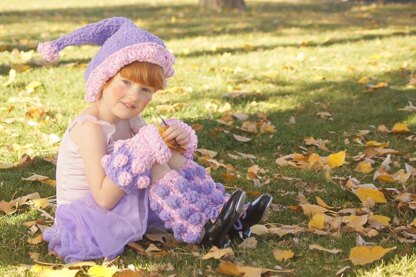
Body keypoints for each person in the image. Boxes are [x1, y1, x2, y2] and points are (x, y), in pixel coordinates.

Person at [37, 17, 272, 263]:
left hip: (119, 201)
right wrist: (144, 153)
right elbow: (103, 198)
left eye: (145, 90)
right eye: (125, 82)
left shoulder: (128, 119)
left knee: (161, 153)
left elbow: (161, 154)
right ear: (104, 78)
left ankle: (223, 211)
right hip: (90, 219)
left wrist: (173, 142)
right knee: (152, 159)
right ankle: (204, 229)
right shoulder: (90, 128)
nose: (133, 96)